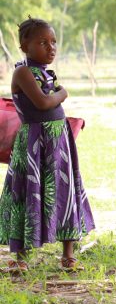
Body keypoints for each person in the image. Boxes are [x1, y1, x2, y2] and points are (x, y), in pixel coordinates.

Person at [0, 18, 95, 272]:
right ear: (24, 45)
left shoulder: (47, 72)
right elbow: (43, 103)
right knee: (26, 192)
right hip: (33, 142)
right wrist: (62, 94)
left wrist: (57, 95)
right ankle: (20, 257)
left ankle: (68, 254)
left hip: (57, 140)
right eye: (43, 42)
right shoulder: (22, 72)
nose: (51, 47)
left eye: (53, 42)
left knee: (64, 190)